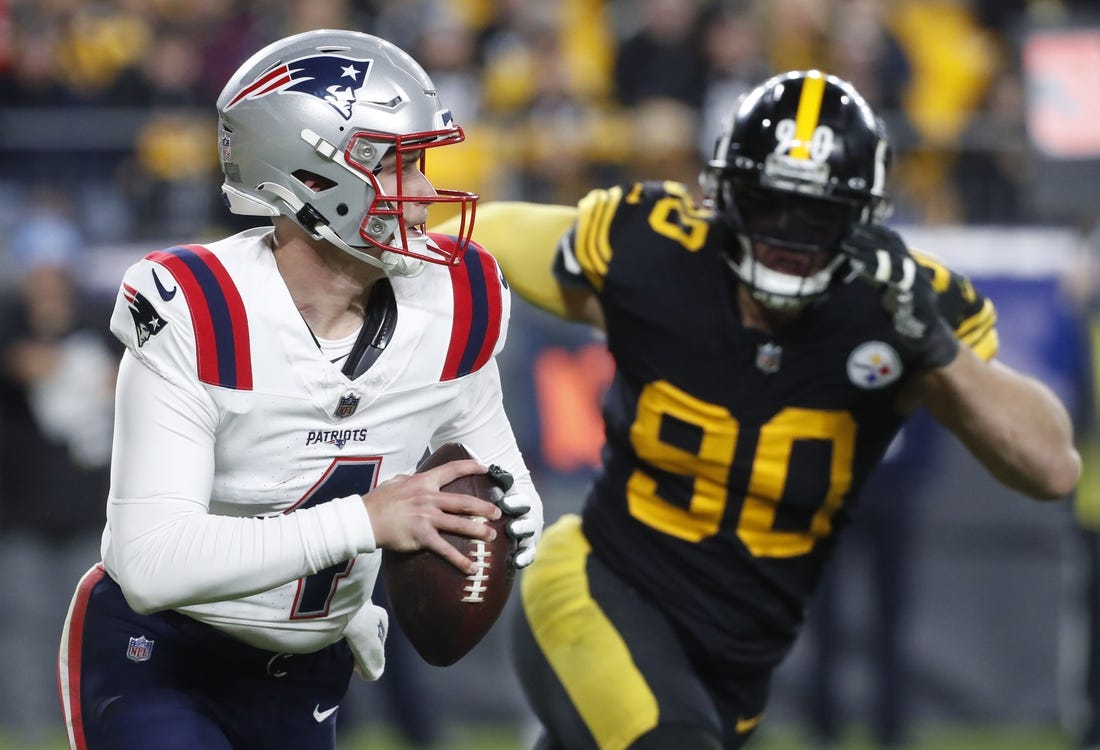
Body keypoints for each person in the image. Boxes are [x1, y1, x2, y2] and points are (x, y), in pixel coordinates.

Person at [433, 69, 1081, 748]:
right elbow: (480, 237)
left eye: (817, 215)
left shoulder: (900, 308)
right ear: (728, 195)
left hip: (734, 665)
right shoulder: (660, 254)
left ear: (862, 218)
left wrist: (938, 350)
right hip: (598, 590)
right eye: (768, 205)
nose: (787, 236)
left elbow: (1050, 467)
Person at [56, 29, 543, 750]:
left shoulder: (456, 299)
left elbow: (499, 478)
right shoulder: (198, 306)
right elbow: (148, 563)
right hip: (162, 659)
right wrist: (363, 525)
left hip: (309, 677)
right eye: (395, 166)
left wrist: (497, 531)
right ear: (311, 177)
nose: (422, 193)